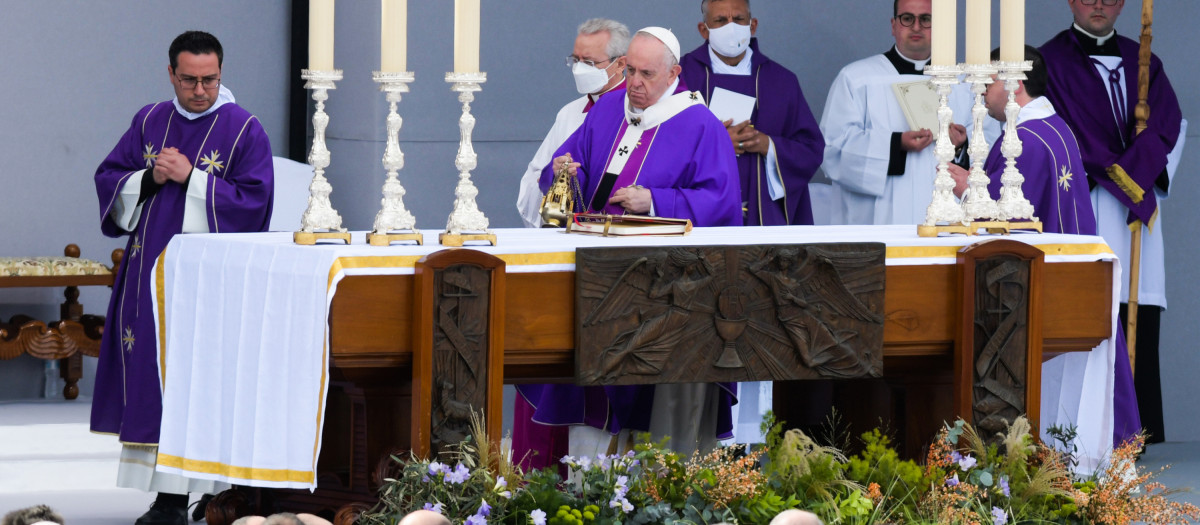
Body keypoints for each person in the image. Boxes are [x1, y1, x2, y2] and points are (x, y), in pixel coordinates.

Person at [529, 27, 741, 459]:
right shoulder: (609, 108)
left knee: (650, 428)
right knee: (588, 394)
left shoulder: (701, 125)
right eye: (629, 71)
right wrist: (566, 171)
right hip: (595, 274)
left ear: (674, 74)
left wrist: (655, 200)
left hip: (660, 293)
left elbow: (720, 204)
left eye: (647, 73)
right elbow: (575, 168)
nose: (635, 83)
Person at [90, 30, 274, 525]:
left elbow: (256, 205)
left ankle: (216, 495)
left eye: (209, 80)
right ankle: (167, 499)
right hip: (150, 278)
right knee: (155, 380)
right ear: (171, 73)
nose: (200, 90)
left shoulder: (243, 129)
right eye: (189, 80)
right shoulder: (150, 120)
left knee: (202, 381)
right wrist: (152, 176)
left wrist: (193, 177)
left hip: (211, 285)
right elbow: (109, 177)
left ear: (221, 74)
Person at [1039, 0, 1184, 447]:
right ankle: (1082, 444)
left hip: (1135, 218)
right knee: (1087, 327)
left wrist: (1139, 166)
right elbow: (1055, 130)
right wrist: (1120, 166)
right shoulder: (1050, 62)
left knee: (1138, 320)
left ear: (1122, 3)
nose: (1097, 3)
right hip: (1084, 211)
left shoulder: (1145, 61)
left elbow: (1170, 128)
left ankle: (1139, 440)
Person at [820, 0, 972, 225]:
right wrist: (896, 144)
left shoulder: (963, 83)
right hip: (878, 221)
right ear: (893, 25)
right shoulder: (857, 78)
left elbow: (988, 147)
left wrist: (961, 146)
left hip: (947, 220)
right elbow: (832, 149)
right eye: (907, 18)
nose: (917, 27)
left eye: (926, 19)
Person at [679, 0, 825, 226]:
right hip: (699, 214)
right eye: (720, 20)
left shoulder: (781, 81)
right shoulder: (681, 76)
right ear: (703, 30)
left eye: (738, 19)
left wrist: (769, 146)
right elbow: (661, 143)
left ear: (753, 25)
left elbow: (811, 148)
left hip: (765, 214)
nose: (731, 27)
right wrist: (717, 143)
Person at [947, 46, 1096, 235]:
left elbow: (1012, 216)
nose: (982, 91)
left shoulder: (1023, 140)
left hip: (1041, 259)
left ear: (1015, 85)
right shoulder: (1053, 126)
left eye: (989, 83)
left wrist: (967, 191)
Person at [516, 18, 630, 228]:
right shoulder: (569, 113)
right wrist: (555, 175)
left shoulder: (637, 109)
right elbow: (533, 178)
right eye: (575, 59)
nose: (578, 69)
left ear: (620, 64)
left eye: (589, 62)